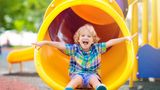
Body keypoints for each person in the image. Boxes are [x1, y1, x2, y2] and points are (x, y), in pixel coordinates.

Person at [33, 24, 137, 90]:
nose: (85, 38)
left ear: (93, 40)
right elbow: (61, 45)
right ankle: (69, 88)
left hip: (92, 74)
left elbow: (110, 43)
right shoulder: (75, 48)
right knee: (76, 79)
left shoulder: (97, 48)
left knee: (94, 79)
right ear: (78, 39)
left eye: (88, 36)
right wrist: (45, 42)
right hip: (77, 74)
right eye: (83, 36)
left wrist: (125, 38)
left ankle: (99, 88)